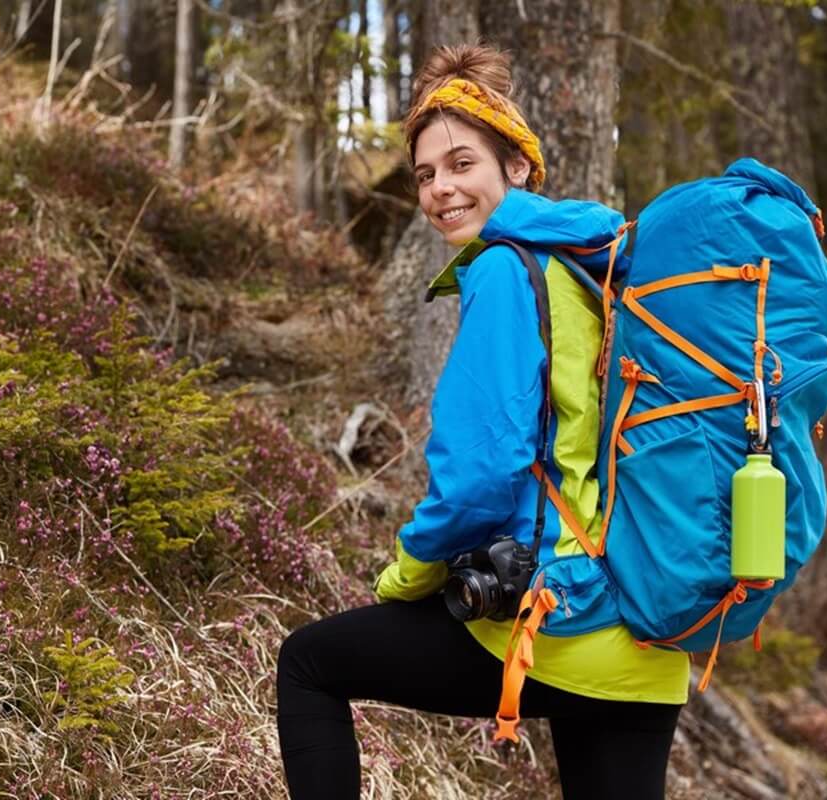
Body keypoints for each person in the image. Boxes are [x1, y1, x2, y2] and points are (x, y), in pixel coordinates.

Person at [275, 43, 690, 800]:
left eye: (462, 164)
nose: (440, 189)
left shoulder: (506, 267)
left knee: (308, 664)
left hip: (554, 616)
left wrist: (410, 572)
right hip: (645, 633)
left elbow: (481, 475)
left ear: (519, 167)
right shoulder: (590, 270)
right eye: (426, 174)